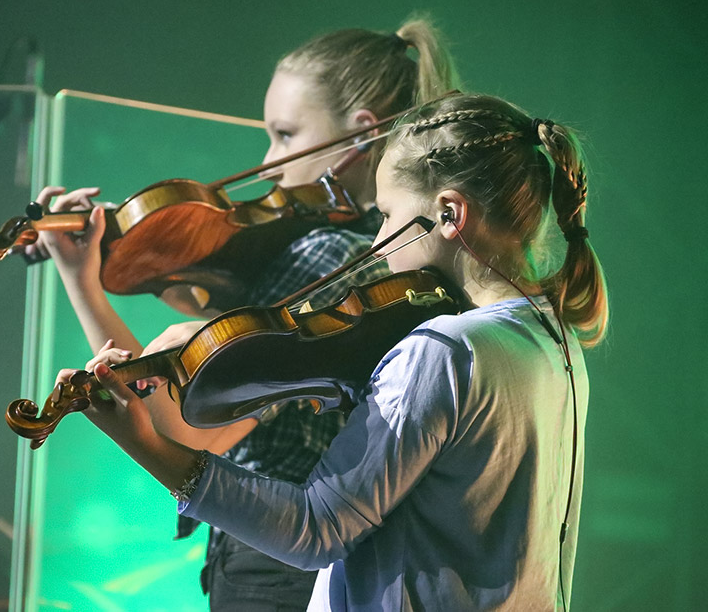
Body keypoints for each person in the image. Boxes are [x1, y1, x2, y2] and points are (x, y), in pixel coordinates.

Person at [71, 92, 608, 610]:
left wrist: (142, 441)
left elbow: (315, 529)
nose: (378, 242)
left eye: (389, 215)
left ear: (449, 215)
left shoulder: (444, 351)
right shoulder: (553, 340)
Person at [33, 21, 458, 609]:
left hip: (272, 561)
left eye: (286, 135)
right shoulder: (360, 255)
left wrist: (91, 296)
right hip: (282, 557)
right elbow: (186, 382)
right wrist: (93, 275)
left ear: (360, 135)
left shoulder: (328, 259)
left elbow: (186, 424)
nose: (271, 162)